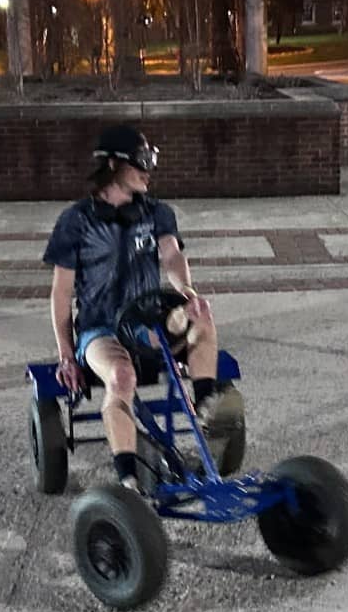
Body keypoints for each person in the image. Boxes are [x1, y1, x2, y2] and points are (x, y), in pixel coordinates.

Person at [44, 126, 225, 491]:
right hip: (100, 330)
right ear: (112, 165)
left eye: (149, 161)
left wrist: (188, 292)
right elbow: (62, 292)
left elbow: (172, 255)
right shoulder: (76, 222)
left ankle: (210, 415)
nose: (148, 171)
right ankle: (128, 481)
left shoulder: (156, 212)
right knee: (121, 378)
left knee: (201, 321)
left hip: (147, 323)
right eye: (140, 162)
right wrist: (66, 354)